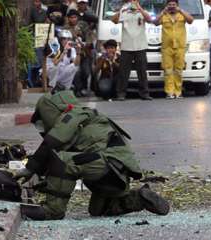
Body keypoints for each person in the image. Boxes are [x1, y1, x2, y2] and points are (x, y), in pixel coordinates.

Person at [14, 90, 170, 220]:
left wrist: (30, 168)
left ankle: (52, 210)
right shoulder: (88, 117)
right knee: (98, 210)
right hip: (116, 176)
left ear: (50, 110)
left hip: (107, 166)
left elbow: (52, 143)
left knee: (63, 161)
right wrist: (38, 176)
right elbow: (54, 158)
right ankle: (139, 198)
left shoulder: (72, 114)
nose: (43, 128)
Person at [112, 0, 153, 101]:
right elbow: (114, 20)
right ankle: (121, 94)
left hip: (140, 46)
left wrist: (139, 8)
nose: (133, 2)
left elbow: (149, 19)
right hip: (127, 46)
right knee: (124, 72)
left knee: (142, 71)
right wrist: (121, 9)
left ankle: (145, 93)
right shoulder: (124, 10)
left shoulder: (142, 11)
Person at [155, 0, 193, 99]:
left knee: (179, 70)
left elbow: (190, 20)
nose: (172, 6)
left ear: (177, 6)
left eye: (174, 5)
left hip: (180, 47)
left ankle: (178, 92)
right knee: (168, 71)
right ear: (167, 6)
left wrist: (181, 11)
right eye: (170, 5)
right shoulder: (164, 15)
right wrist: (162, 12)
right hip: (167, 48)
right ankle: (169, 92)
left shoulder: (182, 15)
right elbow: (155, 22)